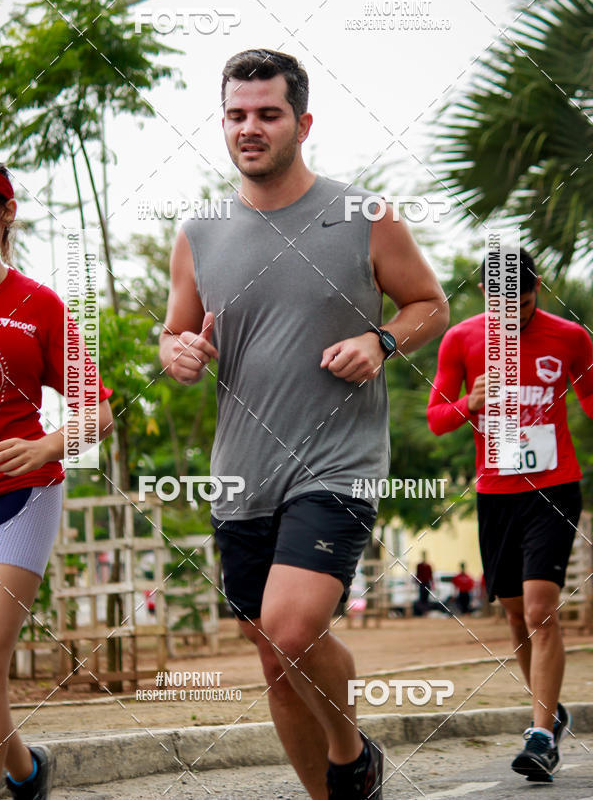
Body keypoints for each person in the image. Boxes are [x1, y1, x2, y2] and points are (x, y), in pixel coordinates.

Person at [160, 49, 449, 799]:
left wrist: (381, 341)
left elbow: (429, 305)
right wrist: (178, 352)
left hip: (337, 462)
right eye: (236, 115)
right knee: (274, 659)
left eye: (268, 113)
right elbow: (176, 331)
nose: (249, 128)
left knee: (292, 630)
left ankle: (353, 755)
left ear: (303, 122)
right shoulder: (199, 232)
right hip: (241, 473)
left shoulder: (364, 216)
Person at [427, 248, 593, 783]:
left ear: (536, 286)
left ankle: (540, 736)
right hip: (496, 493)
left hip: (555, 486)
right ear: (483, 294)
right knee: (517, 616)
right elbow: (436, 419)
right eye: (501, 304)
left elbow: (590, 398)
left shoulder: (571, 337)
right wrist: (469, 404)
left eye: (521, 301)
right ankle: (550, 712)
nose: (512, 313)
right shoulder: (462, 339)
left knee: (542, 610)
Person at [0, 158, 114, 800]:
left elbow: (99, 412)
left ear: (6, 213)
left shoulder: (37, 304)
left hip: (21, 497)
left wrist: (45, 444)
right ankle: (26, 773)